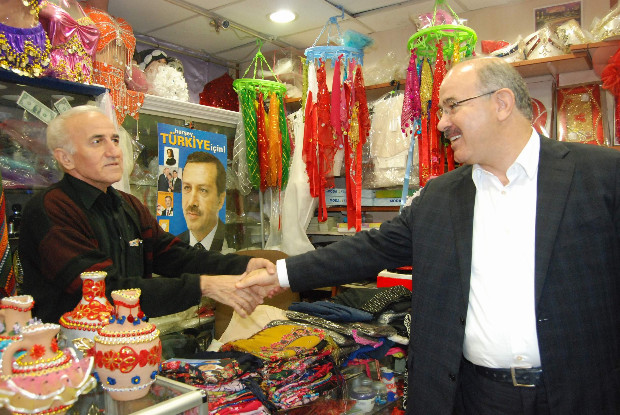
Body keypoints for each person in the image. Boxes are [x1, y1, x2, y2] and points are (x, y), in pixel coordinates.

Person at [239, 57, 620, 414]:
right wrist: (281, 274)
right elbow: (371, 248)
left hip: (580, 393)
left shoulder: (601, 175)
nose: (441, 123)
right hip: (473, 396)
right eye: (441, 110)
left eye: (453, 106)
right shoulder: (441, 196)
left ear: (502, 103)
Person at [18, 105, 275, 324]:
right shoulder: (51, 209)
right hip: (69, 358)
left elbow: (174, 256)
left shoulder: (127, 204)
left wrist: (244, 264)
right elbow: (100, 291)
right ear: (66, 158)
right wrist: (203, 286)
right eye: (97, 141)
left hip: (128, 346)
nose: (113, 151)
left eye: (115, 140)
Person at [177, 151, 226, 251]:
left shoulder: (233, 242)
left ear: (220, 200)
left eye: (203, 190)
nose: (192, 202)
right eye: (187, 188)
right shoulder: (174, 245)